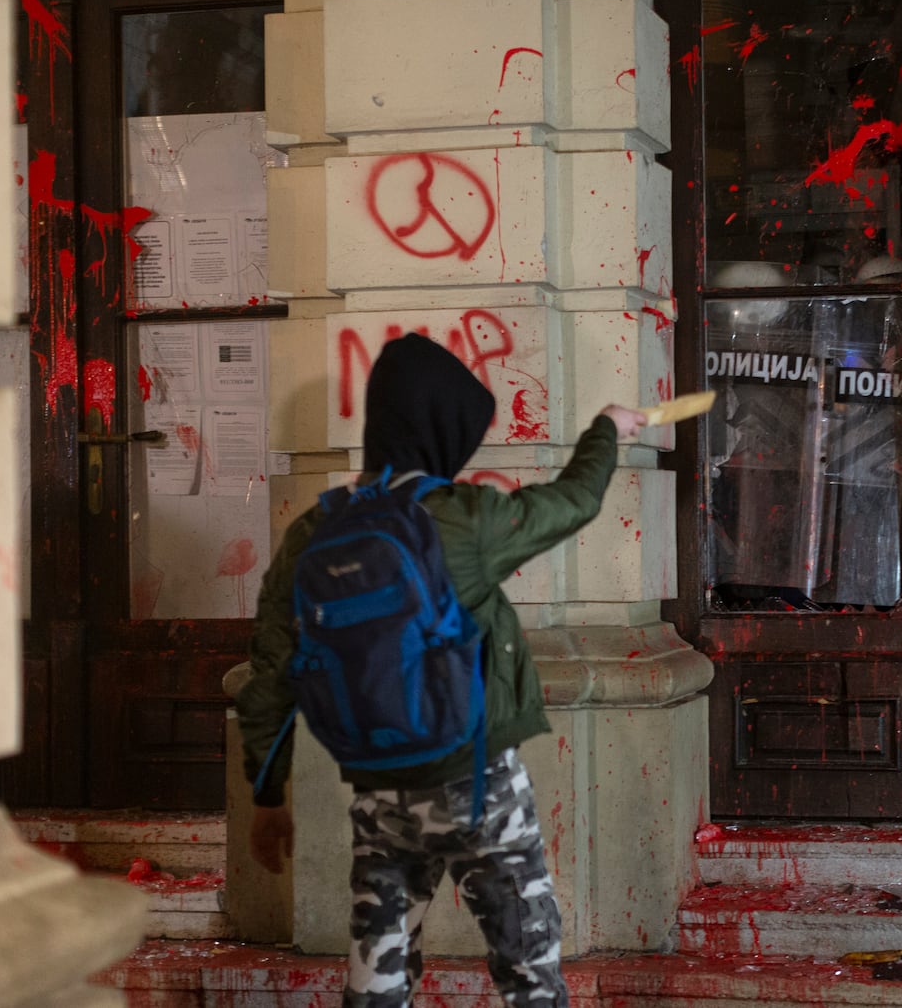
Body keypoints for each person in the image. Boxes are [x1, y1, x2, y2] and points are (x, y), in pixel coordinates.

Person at [236, 332, 647, 1008]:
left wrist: (267, 796)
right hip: (477, 782)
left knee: (379, 972)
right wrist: (606, 428)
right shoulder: (460, 519)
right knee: (529, 966)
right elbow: (574, 501)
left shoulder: (314, 531)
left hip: (379, 790)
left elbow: (271, 671)